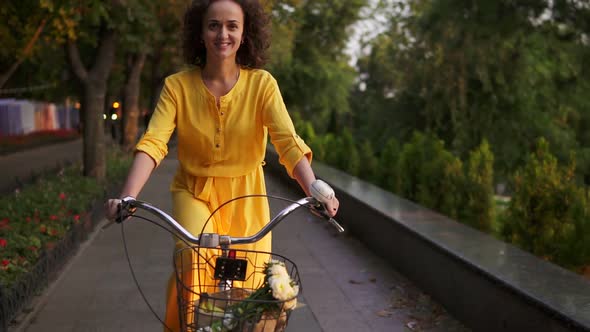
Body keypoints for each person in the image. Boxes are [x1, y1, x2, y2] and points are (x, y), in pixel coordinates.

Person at [104, 0, 339, 330]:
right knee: (195, 260)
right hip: (194, 191)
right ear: (200, 33)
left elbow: (287, 142)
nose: (222, 34)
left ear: (245, 33)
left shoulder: (262, 85)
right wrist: (127, 197)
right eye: (213, 25)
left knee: (252, 289)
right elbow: (154, 142)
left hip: (248, 196)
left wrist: (314, 190)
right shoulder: (177, 86)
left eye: (232, 26)